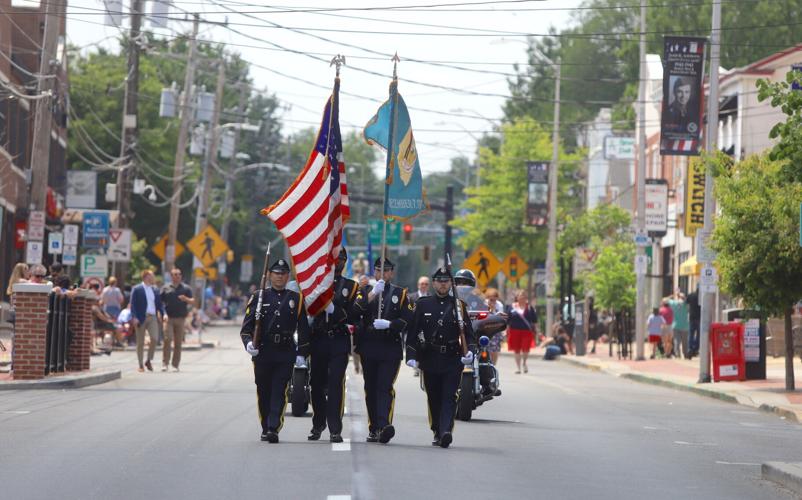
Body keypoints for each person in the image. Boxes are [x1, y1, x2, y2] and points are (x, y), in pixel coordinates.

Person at [240, 258, 310, 443]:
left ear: (288, 277)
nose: (279, 277)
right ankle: (265, 426)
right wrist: (248, 344)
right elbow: (246, 328)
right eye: (276, 273)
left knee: (280, 390)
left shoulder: (296, 299)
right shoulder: (258, 296)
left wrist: (302, 353)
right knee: (263, 390)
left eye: (283, 274)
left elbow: (303, 328)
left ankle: (273, 428)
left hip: (285, 351)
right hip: (263, 351)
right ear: (270, 275)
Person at [405, 266, 475, 448]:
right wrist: (411, 355)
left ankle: (445, 431)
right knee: (434, 397)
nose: (443, 285)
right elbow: (413, 333)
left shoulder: (458, 306)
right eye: (439, 281)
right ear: (434, 283)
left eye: (446, 282)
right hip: (429, 357)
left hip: (452, 358)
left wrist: (470, 353)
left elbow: (469, 334)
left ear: (450, 284)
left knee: (449, 396)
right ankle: (437, 428)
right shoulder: (423, 304)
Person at [351, 257, 412, 444]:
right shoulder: (364, 292)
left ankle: (384, 425)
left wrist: (390, 324)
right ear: (374, 272)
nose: (382, 274)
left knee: (384, 386)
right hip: (369, 346)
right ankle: (374, 428)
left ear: (391, 273)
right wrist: (371, 295)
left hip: (389, 347)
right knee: (371, 387)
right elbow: (354, 313)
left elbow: (408, 320)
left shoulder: (400, 294)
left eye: (386, 271)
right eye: (379, 270)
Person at [308, 248, 359, 443]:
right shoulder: (317, 284)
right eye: (335, 258)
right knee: (316, 384)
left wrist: (334, 310)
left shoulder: (351, 287)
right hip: (319, 339)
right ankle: (318, 422)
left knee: (336, 383)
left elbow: (353, 315)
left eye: (342, 259)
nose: (338, 262)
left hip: (338, 340)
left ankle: (335, 429)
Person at [130, 270, 164, 372]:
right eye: (152, 275)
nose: (153, 277)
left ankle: (148, 360)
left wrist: (164, 314)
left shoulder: (155, 290)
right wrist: (134, 317)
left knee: (154, 338)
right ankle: (140, 365)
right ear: (146, 277)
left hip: (152, 317)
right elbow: (133, 304)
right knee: (140, 342)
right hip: (140, 318)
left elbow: (159, 305)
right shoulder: (137, 289)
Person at [160, 268, 193, 372]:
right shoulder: (165, 288)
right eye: (175, 274)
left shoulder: (186, 288)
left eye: (179, 274)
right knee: (167, 339)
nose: (177, 276)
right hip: (168, 318)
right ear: (171, 276)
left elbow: (193, 301)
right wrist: (162, 314)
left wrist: (186, 299)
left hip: (181, 318)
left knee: (178, 343)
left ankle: (175, 365)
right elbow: (160, 303)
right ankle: (165, 363)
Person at [505, 290, 537, 374]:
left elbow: (534, 320)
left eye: (524, 296)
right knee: (516, 350)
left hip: (526, 331)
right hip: (514, 331)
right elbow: (508, 320)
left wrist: (536, 330)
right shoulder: (512, 307)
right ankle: (518, 367)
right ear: (517, 298)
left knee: (526, 349)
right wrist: (506, 330)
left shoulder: (529, 308)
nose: (522, 298)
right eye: (520, 296)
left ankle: (524, 363)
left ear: (526, 298)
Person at [484, 287, 505, 365]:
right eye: (491, 299)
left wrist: (493, 309)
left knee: (495, 350)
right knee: (485, 349)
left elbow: (501, 318)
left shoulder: (499, 305)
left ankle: (493, 365)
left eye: (494, 299)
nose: (493, 301)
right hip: (485, 330)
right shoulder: (483, 304)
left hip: (496, 331)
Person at [668, 292, 690, 359]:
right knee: (685, 342)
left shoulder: (674, 304)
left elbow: (664, 300)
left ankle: (677, 355)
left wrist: (673, 295)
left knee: (676, 341)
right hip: (685, 326)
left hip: (676, 325)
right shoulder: (686, 305)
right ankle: (685, 354)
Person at [686, 286, 701, 358]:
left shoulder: (691, 295)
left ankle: (690, 348)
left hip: (692, 317)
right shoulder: (702, 297)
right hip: (699, 317)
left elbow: (686, 302)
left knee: (691, 334)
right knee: (699, 334)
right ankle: (695, 348)